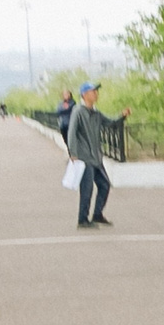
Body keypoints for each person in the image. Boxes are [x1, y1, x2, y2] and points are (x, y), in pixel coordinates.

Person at [66, 82, 128, 227]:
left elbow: (110, 124)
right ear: (84, 95)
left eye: (96, 91)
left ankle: (97, 214)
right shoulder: (78, 111)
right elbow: (72, 133)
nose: (96, 94)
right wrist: (73, 153)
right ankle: (82, 220)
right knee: (86, 188)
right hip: (84, 157)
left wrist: (122, 116)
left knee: (104, 185)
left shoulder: (96, 113)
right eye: (93, 91)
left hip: (96, 157)